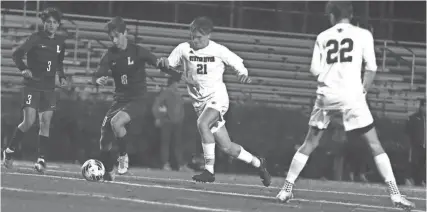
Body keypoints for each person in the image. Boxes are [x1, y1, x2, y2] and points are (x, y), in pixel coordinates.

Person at [276, 2, 415, 210]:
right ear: (350, 14)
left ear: (332, 15)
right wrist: (362, 91)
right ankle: (395, 195)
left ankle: (286, 189)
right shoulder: (363, 34)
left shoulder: (323, 36)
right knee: (375, 144)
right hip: (352, 97)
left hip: (327, 96)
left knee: (309, 143)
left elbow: (315, 70)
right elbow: (371, 68)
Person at [157, 16, 271, 186]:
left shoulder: (219, 50)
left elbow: (237, 63)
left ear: (209, 35)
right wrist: (163, 64)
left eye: (199, 37)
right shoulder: (183, 49)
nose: (195, 40)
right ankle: (258, 163)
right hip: (200, 103)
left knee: (202, 124)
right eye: (192, 36)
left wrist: (242, 74)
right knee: (227, 147)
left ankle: (209, 171)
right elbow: (168, 68)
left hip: (217, 98)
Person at [93, 16, 178, 180]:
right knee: (104, 138)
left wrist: (169, 66)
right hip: (119, 100)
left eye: (117, 36)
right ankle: (108, 171)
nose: (114, 40)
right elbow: (99, 72)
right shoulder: (110, 54)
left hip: (138, 99)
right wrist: (98, 79)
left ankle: (123, 156)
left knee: (116, 123)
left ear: (125, 33)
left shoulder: (138, 51)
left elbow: (157, 62)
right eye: (111, 37)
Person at [3, 7, 67, 173]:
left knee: (45, 122)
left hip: (49, 88)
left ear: (58, 24)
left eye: (54, 22)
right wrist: (23, 68)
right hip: (32, 85)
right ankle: (9, 151)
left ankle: (41, 159)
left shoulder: (60, 43)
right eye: (48, 22)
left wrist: (62, 76)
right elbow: (17, 54)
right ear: (44, 23)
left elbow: (59, 63)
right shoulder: (35, 38)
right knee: (29, 121)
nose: (51, 25)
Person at [152, 75, 187, 171]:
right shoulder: (165, 93)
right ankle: (165, 164)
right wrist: (158, 117)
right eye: (176, 83)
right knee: (166, 144)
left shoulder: (177, 94)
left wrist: (181, 118)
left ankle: (180, 164)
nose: (177, 85)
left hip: (176, 122)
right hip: (167, 122)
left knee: (177, 144)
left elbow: (181, 108)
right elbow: (157, 106)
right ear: (173, 83)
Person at [405, 98, 426, 186]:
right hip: (417, 145)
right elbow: (408, 132)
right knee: (415, 163)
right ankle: (410, 179)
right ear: (421, 107)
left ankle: (423, 181)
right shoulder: (413, 118)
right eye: (424, 106)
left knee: (423, 164)